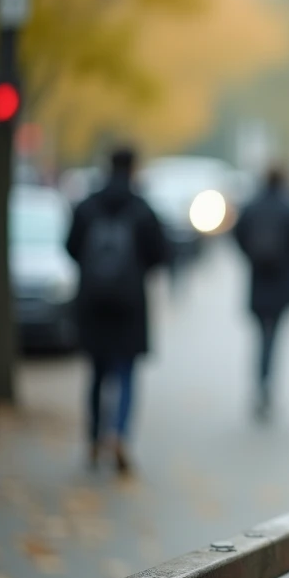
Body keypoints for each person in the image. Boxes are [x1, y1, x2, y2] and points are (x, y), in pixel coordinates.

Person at [66, 147, 169, 475]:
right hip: (129, 304)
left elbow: (70, 246)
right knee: (125, 372)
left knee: (96, 373)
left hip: (93, 303)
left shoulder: (87, 206)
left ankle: (95, 438)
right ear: (133, 168)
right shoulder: (142, 208)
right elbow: (159, 254)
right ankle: (120, 435)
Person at [233, 165, 289, 421]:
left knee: (260, 336)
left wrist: (251, 257)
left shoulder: (251, 206)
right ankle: (266, 385)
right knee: (272, 337)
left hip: (258, 282)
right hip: (280, 284)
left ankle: (260, 382)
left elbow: (237, 234)